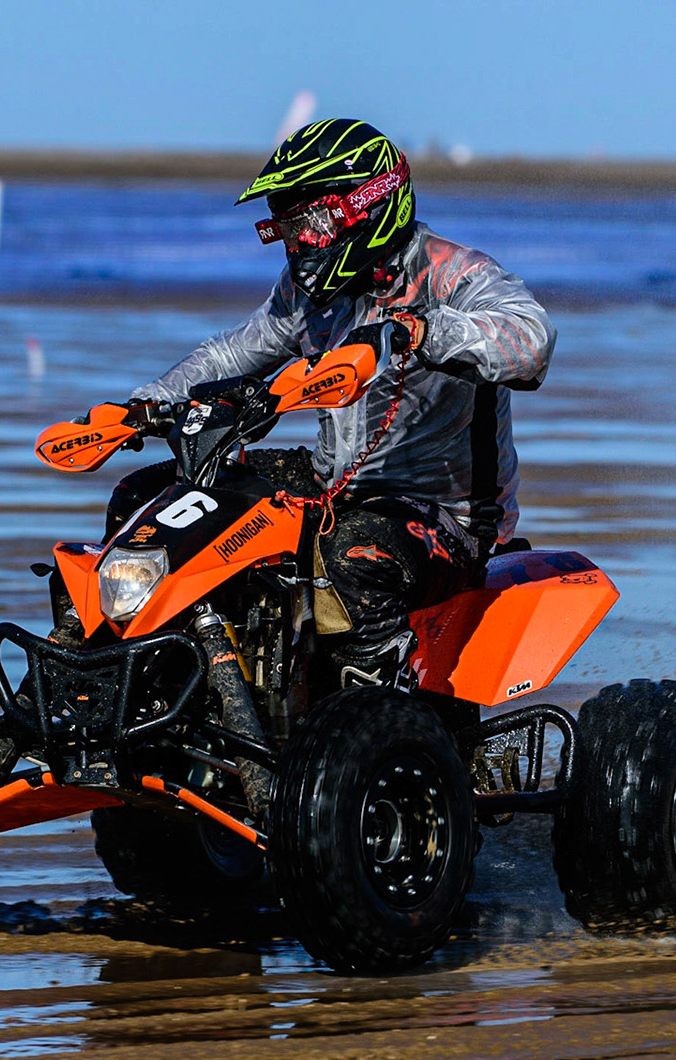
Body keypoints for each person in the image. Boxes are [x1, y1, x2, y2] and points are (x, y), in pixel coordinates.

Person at [105, 119, 555, 686]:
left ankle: (382, 704)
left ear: (369, 206)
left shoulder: (455, 274)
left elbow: (530, 340)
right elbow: (230, 355)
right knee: (148, 498)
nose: (299, 244)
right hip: (332, 481)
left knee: (353, 554)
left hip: (447, 515)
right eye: (287, 227)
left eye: (311, 224)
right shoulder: (305, 294)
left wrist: (422, 332)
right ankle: (163, 677)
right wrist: (145, 405)